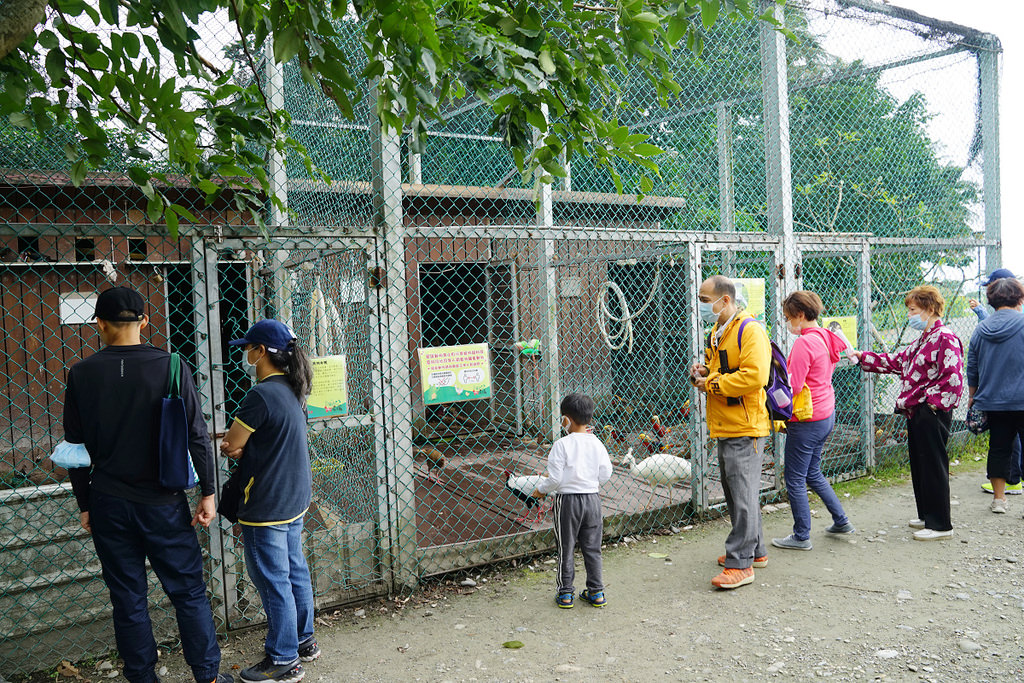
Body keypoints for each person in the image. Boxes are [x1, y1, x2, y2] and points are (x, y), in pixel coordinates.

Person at [62, 287, 232, 683]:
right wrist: (208, 493)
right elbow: (196, 435)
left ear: (99, 324)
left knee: (127, 599)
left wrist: (85, 504)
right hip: (163, 503)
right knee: (188, 592)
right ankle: (207, 676)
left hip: (107, 501)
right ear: (144, 320)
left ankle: (142, 678)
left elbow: (74, 450)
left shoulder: (81, 374)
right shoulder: (171, 366)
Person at [220, 320, 318, 682]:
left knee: (273, 579)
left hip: (267, 504)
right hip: (295, 497)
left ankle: (283, 658)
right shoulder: (294, 388)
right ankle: (304, 640)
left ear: (260, 351)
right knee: (294, 570)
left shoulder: (260, 395)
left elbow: (232, 443)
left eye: (249, 347)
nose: (246, 353)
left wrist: (237, 445)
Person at [850, 285, 964, 541]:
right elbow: (896, 361)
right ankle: (927, 515)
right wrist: (862, 357)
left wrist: (932, 403)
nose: (909, 315)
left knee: (933, 465)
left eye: (913, 309)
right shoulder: (923, 338)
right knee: (921, 463)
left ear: (930, 308)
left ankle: (941, 525)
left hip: (930, 410)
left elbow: (953, 377)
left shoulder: (945, 337)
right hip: (917, 410)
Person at [691, 275, 771, 589]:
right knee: (740, 494)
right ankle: (757, 550)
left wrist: (711, 383)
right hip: (726, 423)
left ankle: (741, 563)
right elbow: (721, 368)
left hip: (745, 425)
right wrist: (704, 371)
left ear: (725, 300)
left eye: (704, 300)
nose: (701, 307)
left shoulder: (750, 331)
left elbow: (754, 377)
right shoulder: (719, 332)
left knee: (742, 495)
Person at [771, 291, 855, 551]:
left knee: (794, 478)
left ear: (800, 315)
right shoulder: (826, 338)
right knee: (812, 472)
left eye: (788, 317)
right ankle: (841, 520)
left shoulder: (804, 344)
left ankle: (801, 535)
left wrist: (773, 405)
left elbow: (792, 386)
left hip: (807, 418)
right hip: (826, 414)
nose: (787, 323)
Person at [532, 393, 614, 609]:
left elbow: (555, 479)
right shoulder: (597, 443)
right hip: (592, 500)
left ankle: (566, 593)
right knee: (592, 547)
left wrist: (540, 490)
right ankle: (597, 592)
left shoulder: (561, 444)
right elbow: (606, 472)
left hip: (567, 502)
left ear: (566, 420)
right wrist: (590, 483)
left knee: (566, 547)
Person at [965, 277, 1024, 515]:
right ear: (1019, 298)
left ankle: (999, 500)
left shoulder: (982, 328)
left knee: (999, 447)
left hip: (993, 401)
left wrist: (972, 395)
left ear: (991, 301)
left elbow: (972, 364)